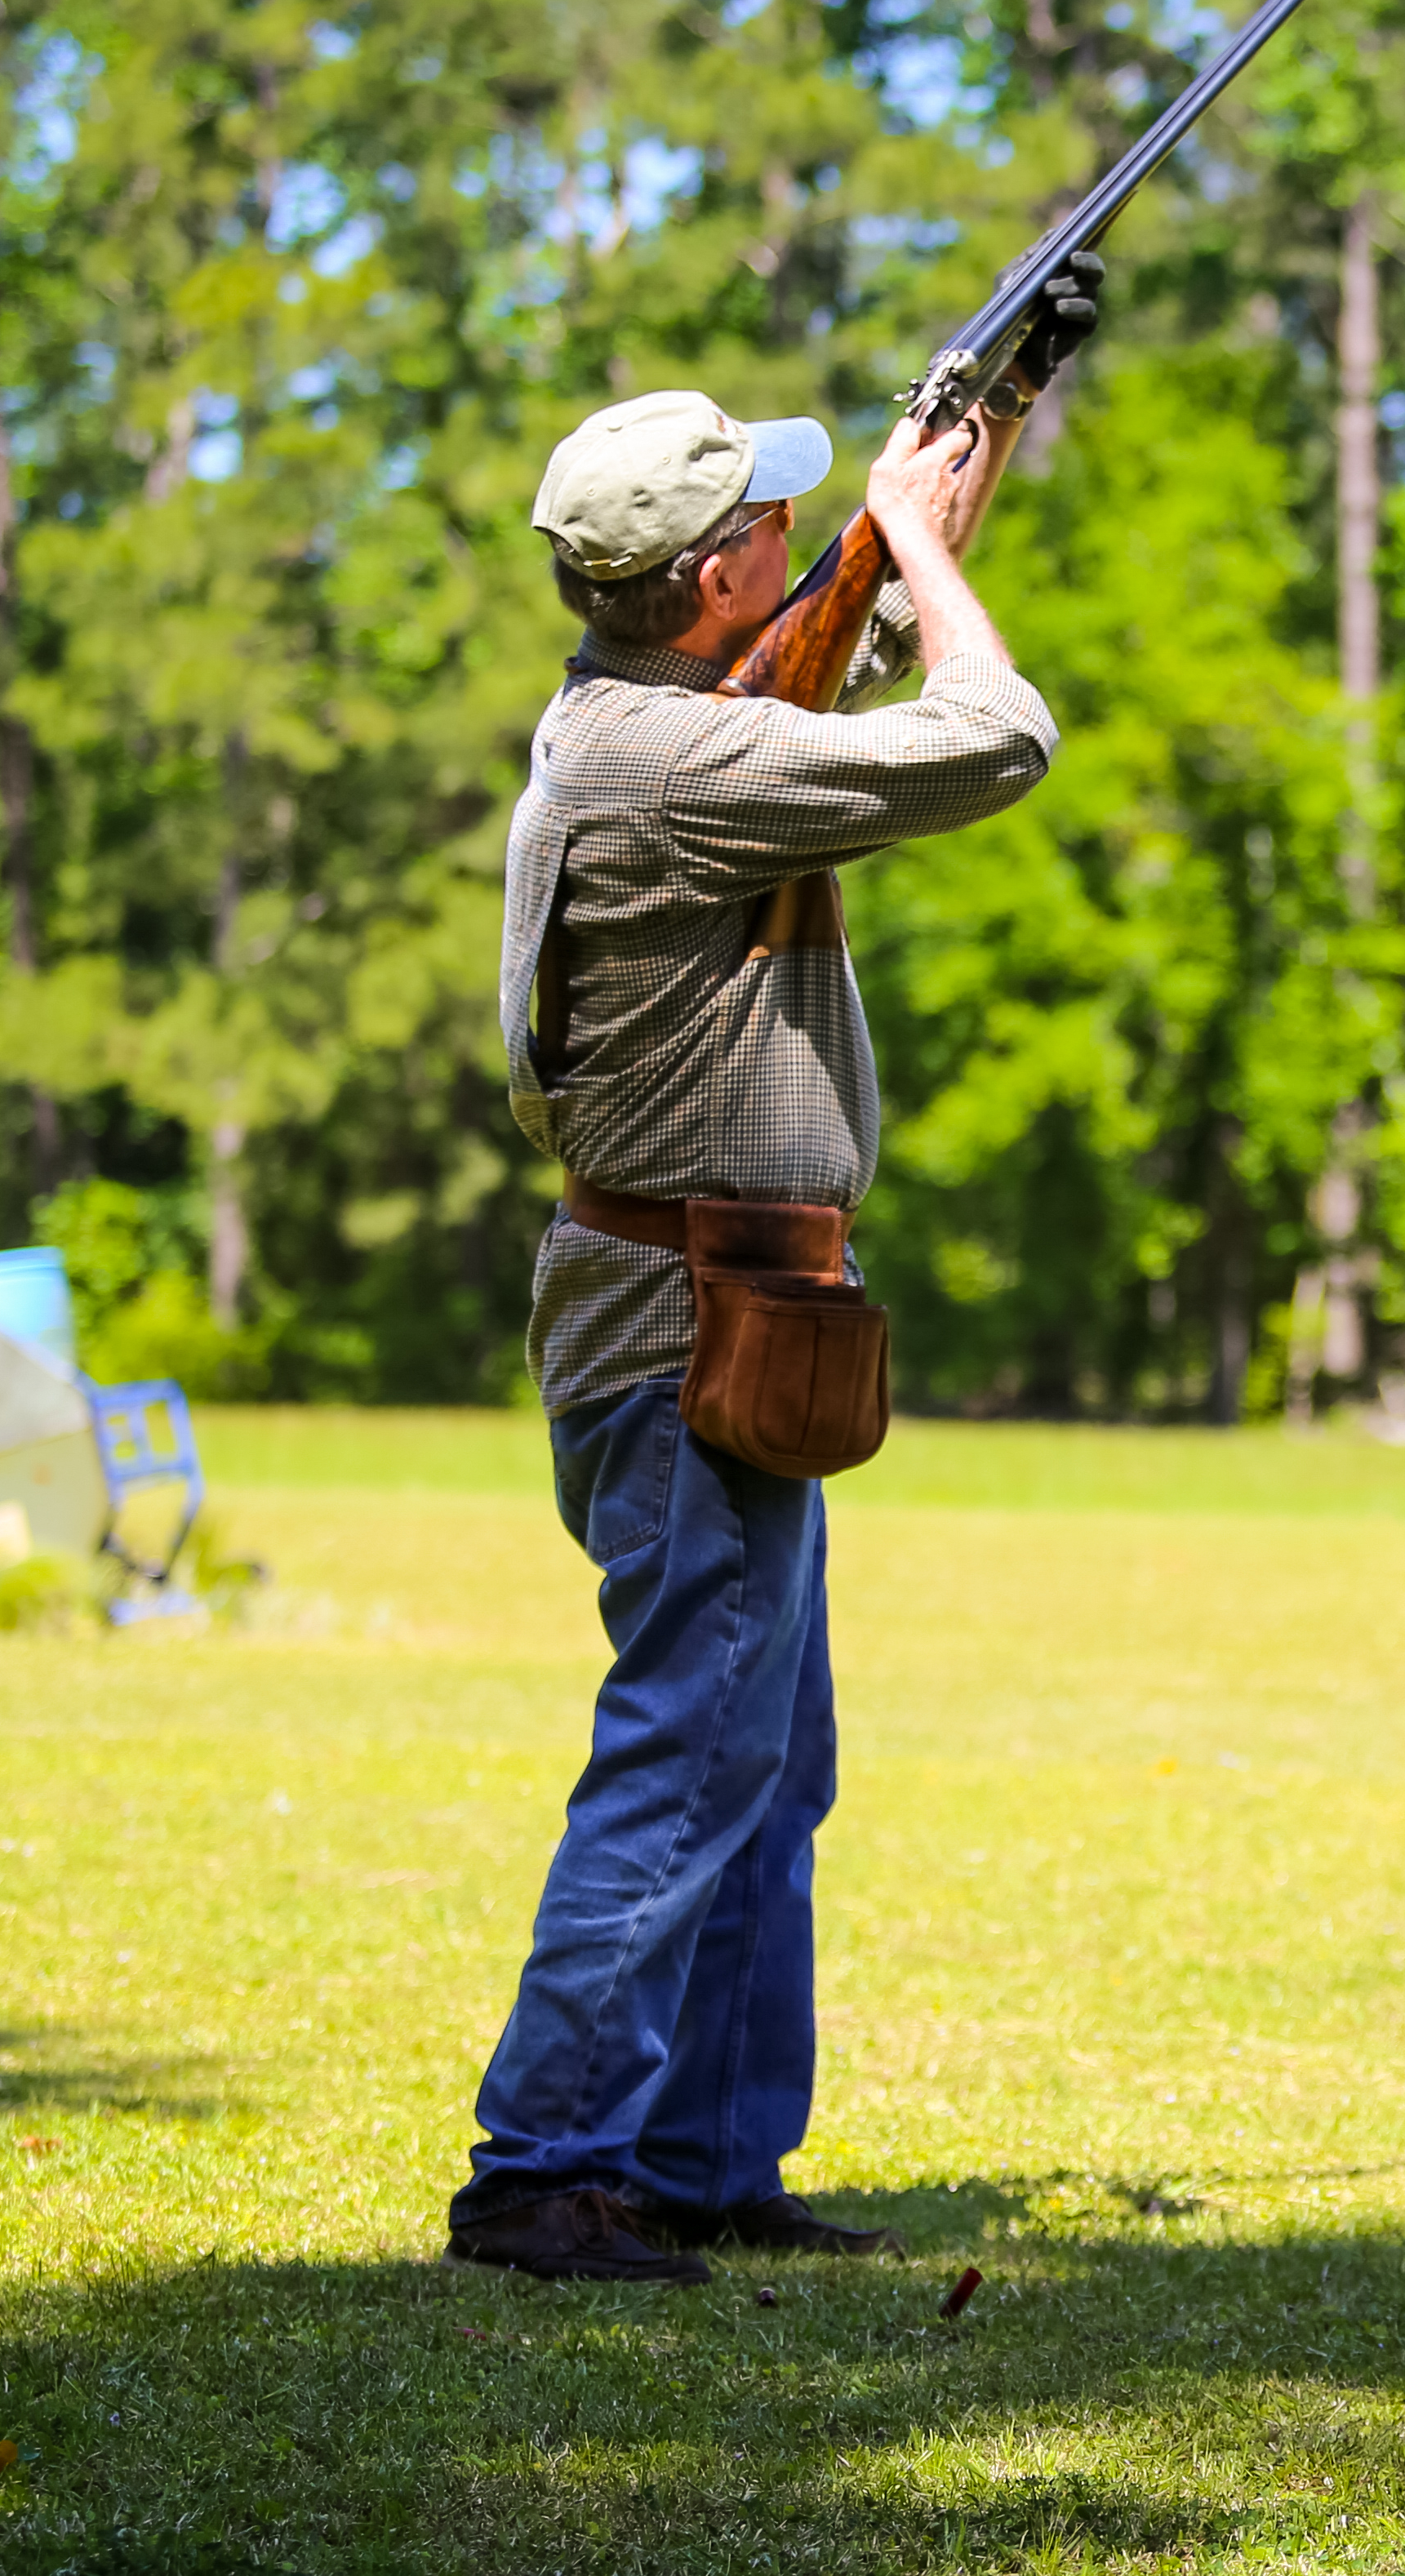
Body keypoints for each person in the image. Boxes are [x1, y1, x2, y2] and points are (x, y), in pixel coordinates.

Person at [444, 266, 1094, 2289]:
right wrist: (904, 544)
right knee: (689, 1741)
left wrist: (981, 443)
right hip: (685, 1313)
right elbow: (996, 731)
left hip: (713, 1299)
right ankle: (545, 2166)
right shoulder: (671, 773)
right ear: (716, 576)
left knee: (763, 1752)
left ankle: (704, 2159)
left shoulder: (636, 718)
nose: (800, 539)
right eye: (777, 529)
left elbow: (846, 652)